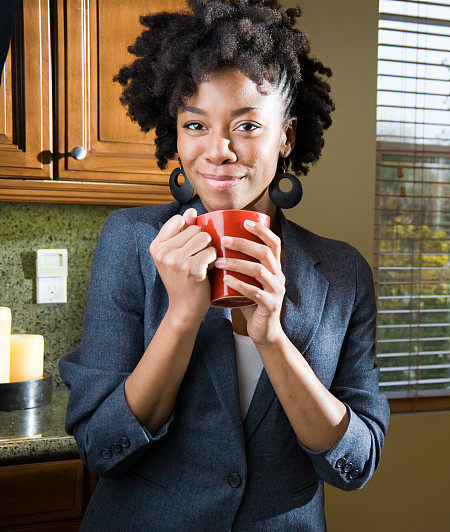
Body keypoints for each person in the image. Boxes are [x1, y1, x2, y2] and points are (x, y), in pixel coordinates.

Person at [59, 1, 389, 529]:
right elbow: (101, 447)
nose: (219, 150)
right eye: (196, 124)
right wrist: (181, 318)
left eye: (248, 125)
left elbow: (356, 463)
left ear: (287, 137)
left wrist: (272, 339)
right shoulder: (130, 243)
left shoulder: (343, 274)